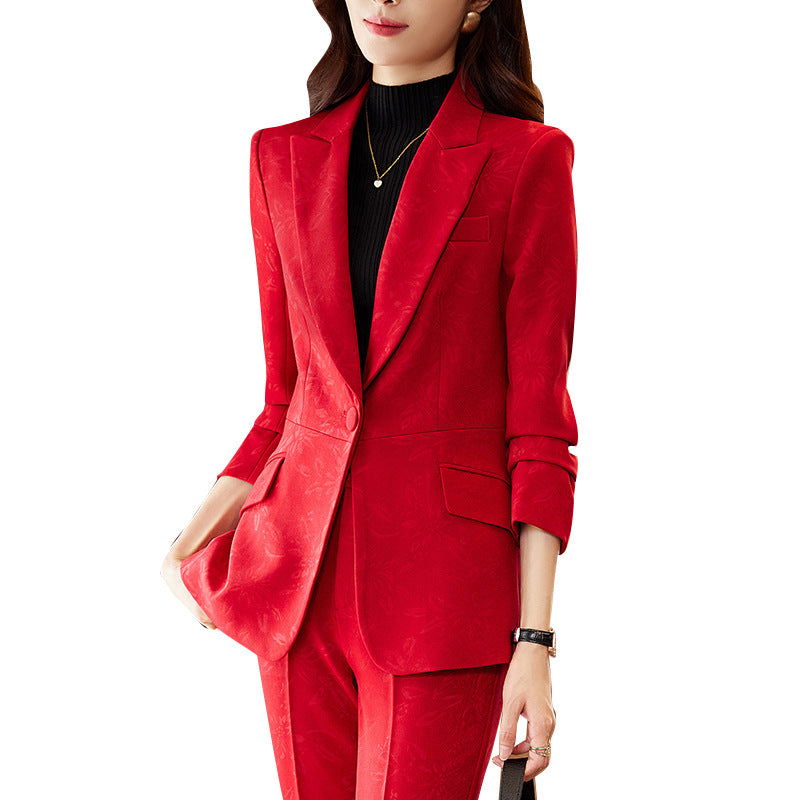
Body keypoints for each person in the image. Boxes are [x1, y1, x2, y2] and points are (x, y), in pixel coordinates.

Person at [161, 1, 579, 797]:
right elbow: (286, 403)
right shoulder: (281, 158)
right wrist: (186, 546)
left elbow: (539, 428)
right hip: (296, 593)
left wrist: (535, 640)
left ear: (476, 6)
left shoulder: (526, 161)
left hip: (441, 599)